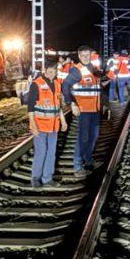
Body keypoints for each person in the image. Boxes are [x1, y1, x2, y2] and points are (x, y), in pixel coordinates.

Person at [23, 58, 68, 186]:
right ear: (44, 71)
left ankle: (47, 178)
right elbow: (30, 106)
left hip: (54, 125)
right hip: (40, 125)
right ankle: (35, 178)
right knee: (41, 151)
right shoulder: (36, 84)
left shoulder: (58, 84)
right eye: (49, 71)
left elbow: (58, 105)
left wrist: (63, 121)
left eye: (54, 71)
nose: (51, 73)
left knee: (51, 152)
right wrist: (32, 125)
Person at [61, 45, 103, 178]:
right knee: (83, 138)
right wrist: (72, 103)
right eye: (83, 55)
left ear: (91, 55)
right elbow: (65, 86)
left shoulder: (93, 69)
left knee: (94, 136)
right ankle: (78, 166)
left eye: (88, 55)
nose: (86, 57)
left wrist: (105, 103)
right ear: (79, 56)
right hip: (84, 110)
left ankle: (89, 161)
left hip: (95, 109)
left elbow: (97, 89)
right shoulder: (77, 71)